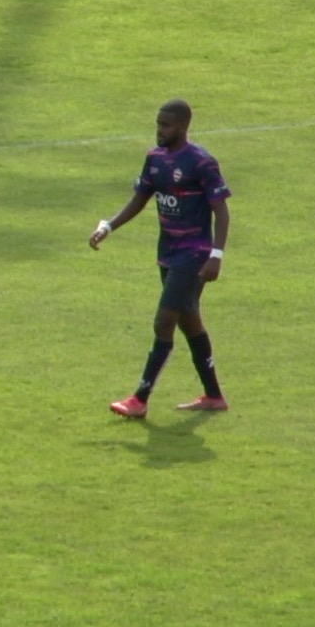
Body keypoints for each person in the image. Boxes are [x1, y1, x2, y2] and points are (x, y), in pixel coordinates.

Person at [88, 99, 232, 419]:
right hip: (167, 253)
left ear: (182, 126)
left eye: (166, 125)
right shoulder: (154, 160)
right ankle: (213, 395)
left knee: (164, 322)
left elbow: (222, 211)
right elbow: (140, 198)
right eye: (158, 124)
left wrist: (216, 256)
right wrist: (109, 226)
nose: (160, 130)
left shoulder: (201, 163)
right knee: (188, 319)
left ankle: (139, 399)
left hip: (193, 254)